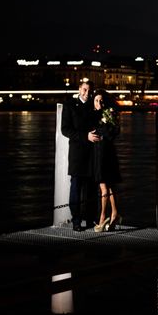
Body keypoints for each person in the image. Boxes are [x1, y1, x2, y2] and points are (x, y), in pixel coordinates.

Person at [61, 80, 100, 231]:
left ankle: (90, 219)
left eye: (89, 91)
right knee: (76, 187)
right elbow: (65, 129)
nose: (86, 93)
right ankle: (76, 220)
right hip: (77, 152)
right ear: (79, 89)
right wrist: (85, 136)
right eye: (84, 90)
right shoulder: (69, 105)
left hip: (92, 152)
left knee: (91, 188)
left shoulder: (93, 105)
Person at [91, 89, 123, 232]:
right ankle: (115, 214)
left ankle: (103, 218)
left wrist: (104, 125)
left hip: (106, 152)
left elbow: (112, 133)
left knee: (104, 186)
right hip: (98, 152)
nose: (99, 103)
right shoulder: (93, 115)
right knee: (108, 186)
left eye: (101, 101)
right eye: (97, 100)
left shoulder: (108, 114)